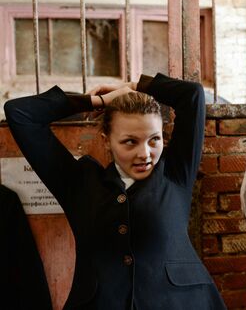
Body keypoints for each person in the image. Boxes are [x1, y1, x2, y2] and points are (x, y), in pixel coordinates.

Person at [4, 73, 226, 310]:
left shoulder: (175, 173)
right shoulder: (77, 182)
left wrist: (135, 86)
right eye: (130, 142)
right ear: (106, 140)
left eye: (154, 140)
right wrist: (97, 101)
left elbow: (192, 95)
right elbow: (20, 113)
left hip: (182, 303)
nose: (145, 153)